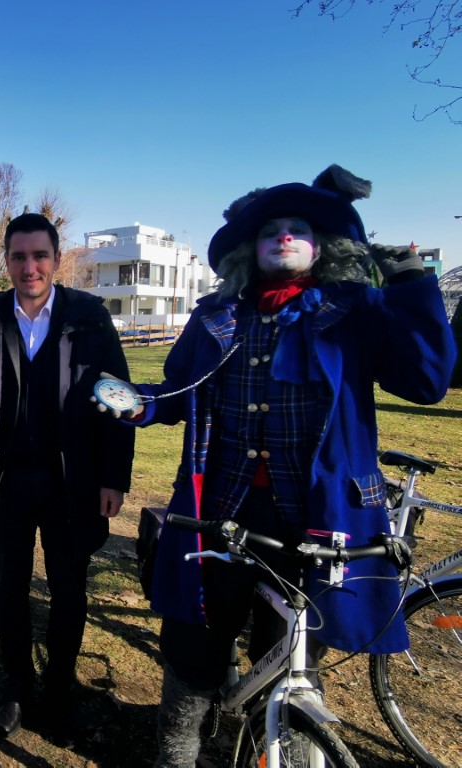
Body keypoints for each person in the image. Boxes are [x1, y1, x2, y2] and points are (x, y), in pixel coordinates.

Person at [101, 165, 455, 767]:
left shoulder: (354, 312)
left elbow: (428, 381)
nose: (284, 236)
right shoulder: (216, 317)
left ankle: (275, 746)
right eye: (270, 229)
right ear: (249, 248)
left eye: (298, 228)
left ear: (322, 245)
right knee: (194, 646)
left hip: (318, 523)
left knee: (290, 651)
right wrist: (136, 404)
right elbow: (179, 390)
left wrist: (411, 285)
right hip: (218, 516)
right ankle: (178, 756)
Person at [0, 212, 135, 743]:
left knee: (69, 590)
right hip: (5, 480)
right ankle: (18, 684)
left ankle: (59, 687)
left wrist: (114, 478)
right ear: (6, 261)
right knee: (9, 587)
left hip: (72, 481)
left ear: (56, 258)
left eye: (40, 256)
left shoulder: (89, 317)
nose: (30, 267)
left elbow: (120, 398)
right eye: (19, 257)